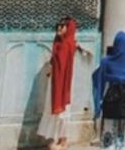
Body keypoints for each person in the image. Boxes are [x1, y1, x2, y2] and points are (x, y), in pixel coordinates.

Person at [38, 18, 86, 150]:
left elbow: (63, 65)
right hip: (55, 83)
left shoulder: (67, 45)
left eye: (62, 26)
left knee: (62, 111)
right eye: (58, 26)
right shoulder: (61, 43)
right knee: (54, 109)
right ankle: (59, 139)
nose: (59, 29)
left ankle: (62, 141)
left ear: (68, 29)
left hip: (62, 86)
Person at [92, 32, 125, 150]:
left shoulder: (106, 62)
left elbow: (97, 79)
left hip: (110, 106)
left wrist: (97, 105)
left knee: (109, 138)